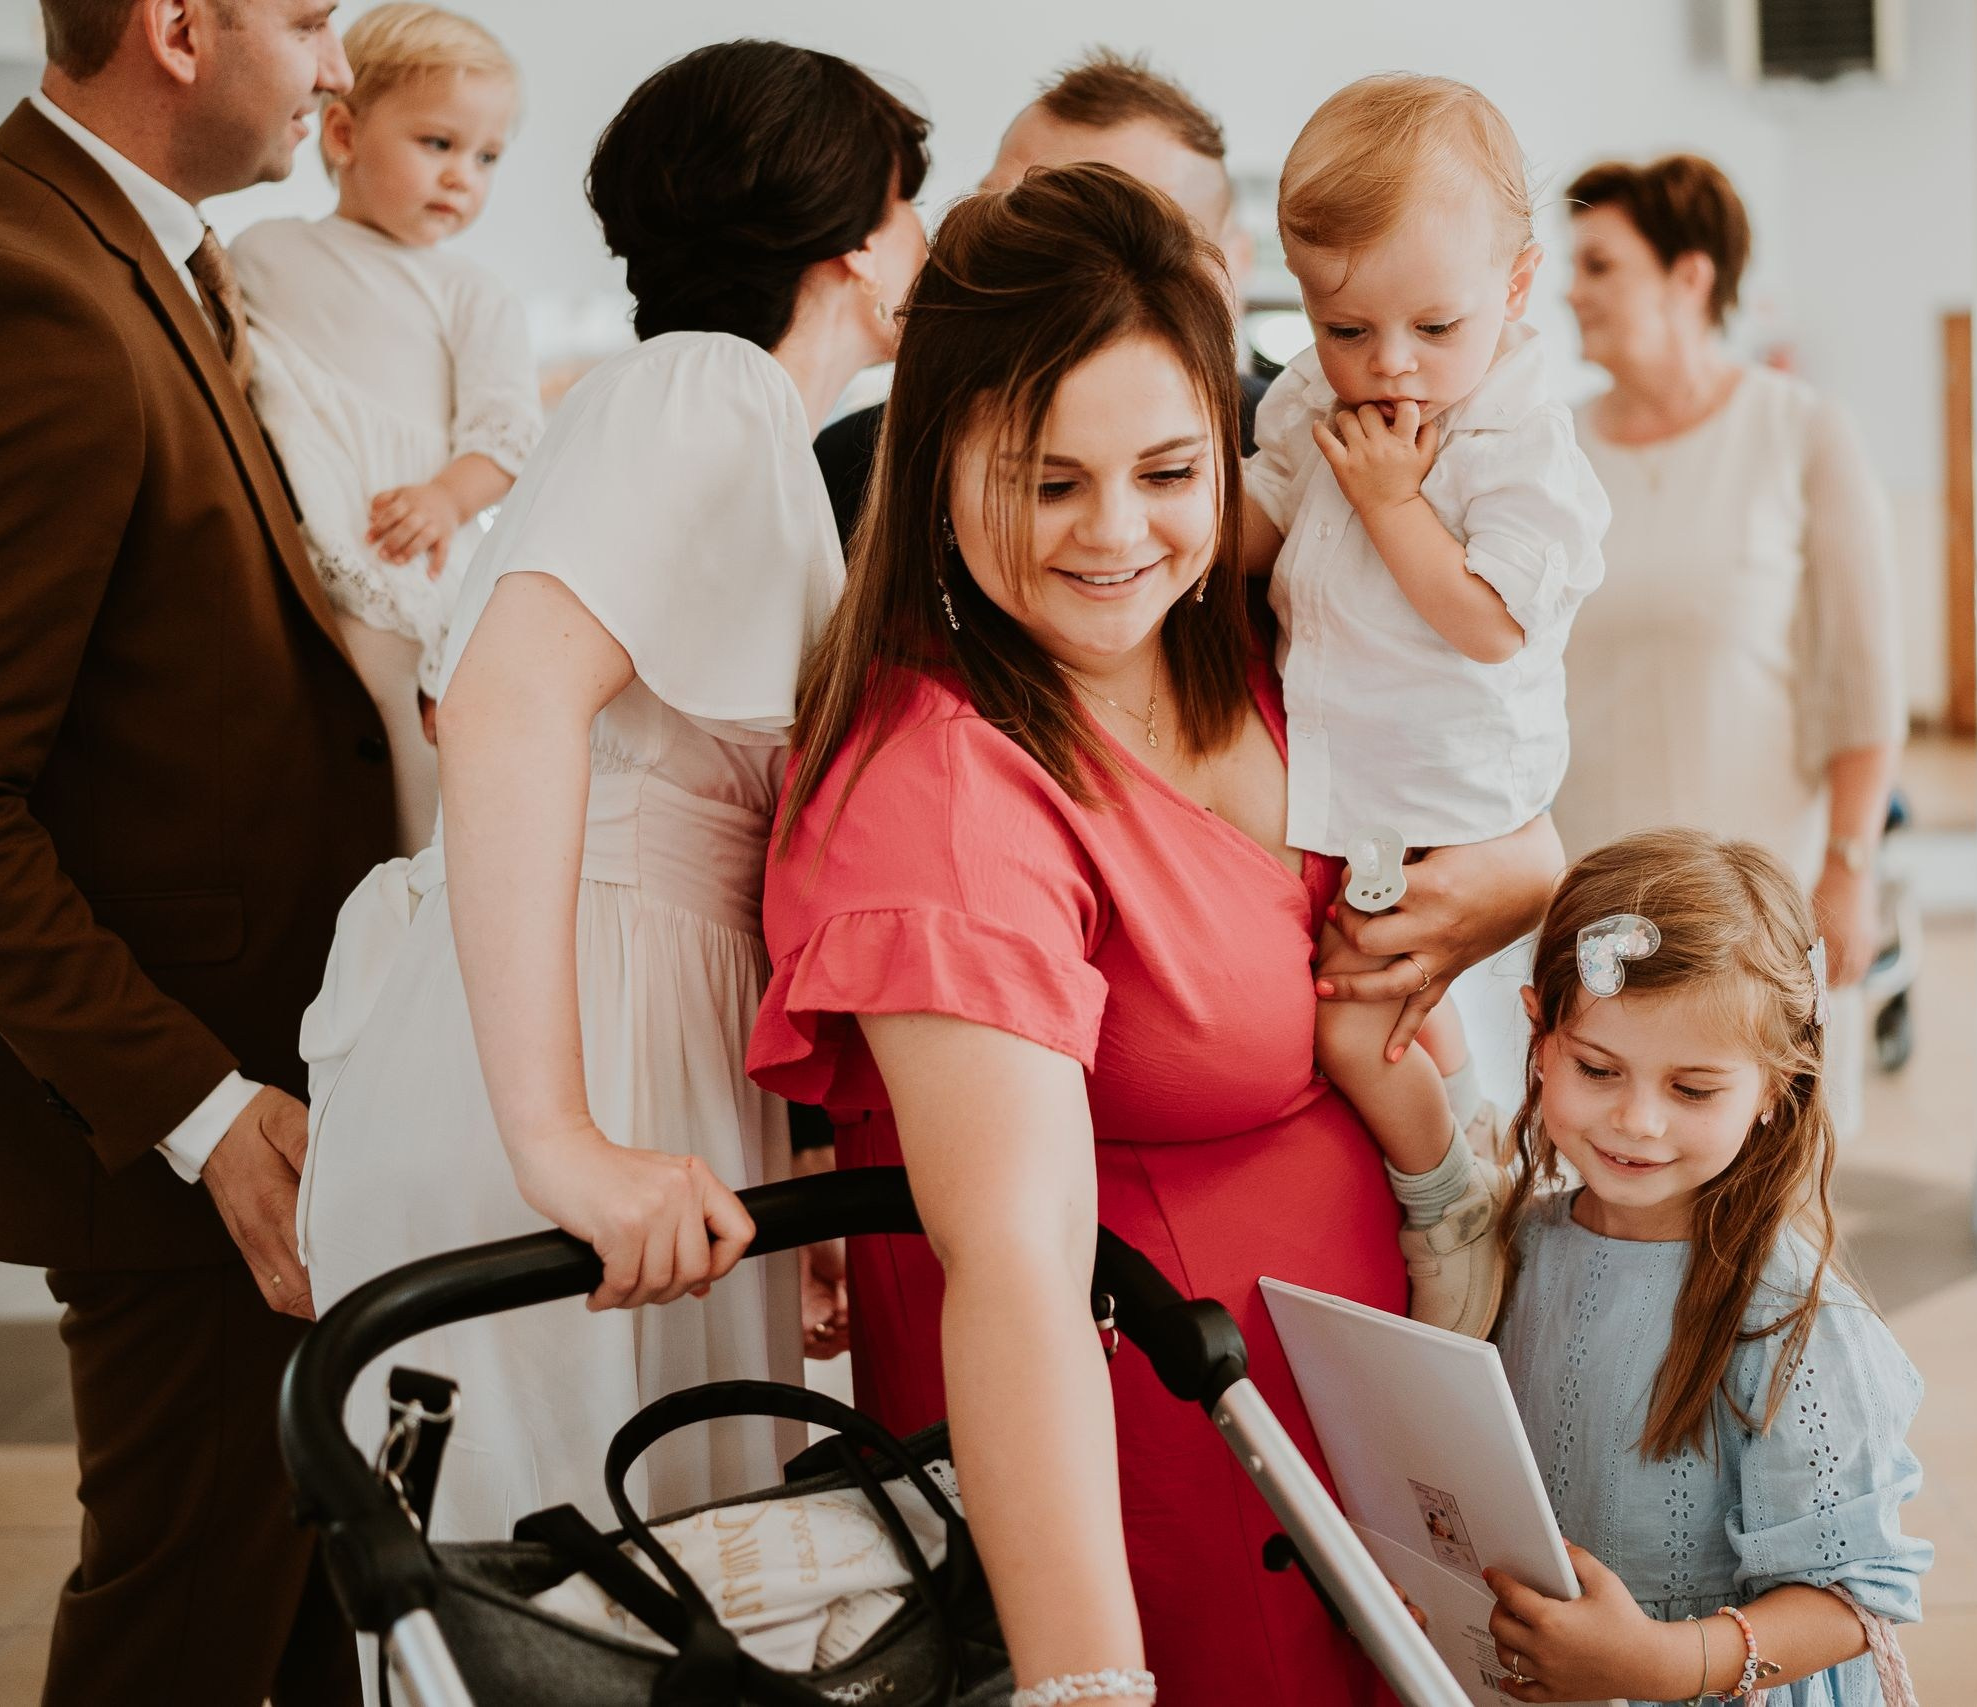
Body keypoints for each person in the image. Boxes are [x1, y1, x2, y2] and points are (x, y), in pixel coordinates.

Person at [750, 163, 1566, 1707]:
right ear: (935, 466)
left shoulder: (1267, 638)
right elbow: (1019, 1261)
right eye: (1047, 482)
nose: (1116, 534)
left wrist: (1531, 856)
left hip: (1367, 1429)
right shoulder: (942, 776)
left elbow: (1487, 766)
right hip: (1155, 1472)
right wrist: (1084, 1678)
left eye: (1169, 470)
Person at [292, 40, 927, 1564]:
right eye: (916, 205)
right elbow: (510, 700)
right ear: (851, 235)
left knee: (658, 1580)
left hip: (654, 1032)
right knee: (534, 1582)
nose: (926, 242)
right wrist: (559, 1137)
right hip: (574, 1038)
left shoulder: (735, 422)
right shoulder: (702, 386)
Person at [0, 2, 391, 1701]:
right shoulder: (21, 294)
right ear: (173, 26)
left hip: (275, 1095)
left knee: (290, 1610)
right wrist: (207, 1113)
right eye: (306, 21)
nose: (337, 70)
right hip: (191, 1138)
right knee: (187, 1621)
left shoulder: (147, 254)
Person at [1240, 76, 1609, 1336]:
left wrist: (1397, 505)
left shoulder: (1517, 449)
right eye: (1346, 328)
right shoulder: (1312, 397)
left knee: (1357, 1031)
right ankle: (1475, 1154)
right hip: (1356, 782)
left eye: (1433, 328)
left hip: (1448, 796)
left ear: (1513, 290)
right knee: (1405, 1010)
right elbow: (1258, 514)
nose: (1388, 365)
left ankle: (1444, 1201)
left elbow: (1492, 623)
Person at [1479, 828, 1930, 1705]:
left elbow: (1856, 1595)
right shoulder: (1523, 1243)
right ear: (1540, 1034)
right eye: (1599, 1067)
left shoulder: (1793, 1318)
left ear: (1774, 1087)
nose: (1638, 1120)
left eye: (1692, 1088)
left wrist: (1657, 1662)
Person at [1557, 155, 1905, 1132]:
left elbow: (1862, 675)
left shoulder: (1799, 433)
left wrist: (1849, 866)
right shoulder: (1554, 452)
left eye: (1598, 265)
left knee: (1756, 1160)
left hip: (1761, 890)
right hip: (1595, 881)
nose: (1568, 289)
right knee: (1615, 1151)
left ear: (1689, 276)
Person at [233, 2, 543, 851]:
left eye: (487, 157)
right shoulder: (262, 253)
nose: (462, 177)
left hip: (407, 558)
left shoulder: (473, 294)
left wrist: (447, 496)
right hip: (288, 554)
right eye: (437, 144)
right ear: (341, 135)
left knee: (412, 781)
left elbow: (508, 434)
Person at [813, 46, 1262, 544]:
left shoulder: (1304, 459)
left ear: (1224, 268)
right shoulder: (852, 465)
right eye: (998, 212)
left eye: (1100, 232)